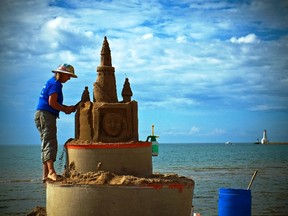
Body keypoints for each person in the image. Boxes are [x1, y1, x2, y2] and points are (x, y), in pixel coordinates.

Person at [34, 63, 78, 182]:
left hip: (41, 114)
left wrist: (66, 108)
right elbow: (52, 102)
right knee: (50, 141)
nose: (69, 79)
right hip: (46, 114)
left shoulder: (51, 81)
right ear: (62, 74)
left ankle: (46, 174)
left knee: (46, 142)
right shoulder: (56, 84)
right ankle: (51, 172)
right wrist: (65, 109)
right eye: (68, 76)